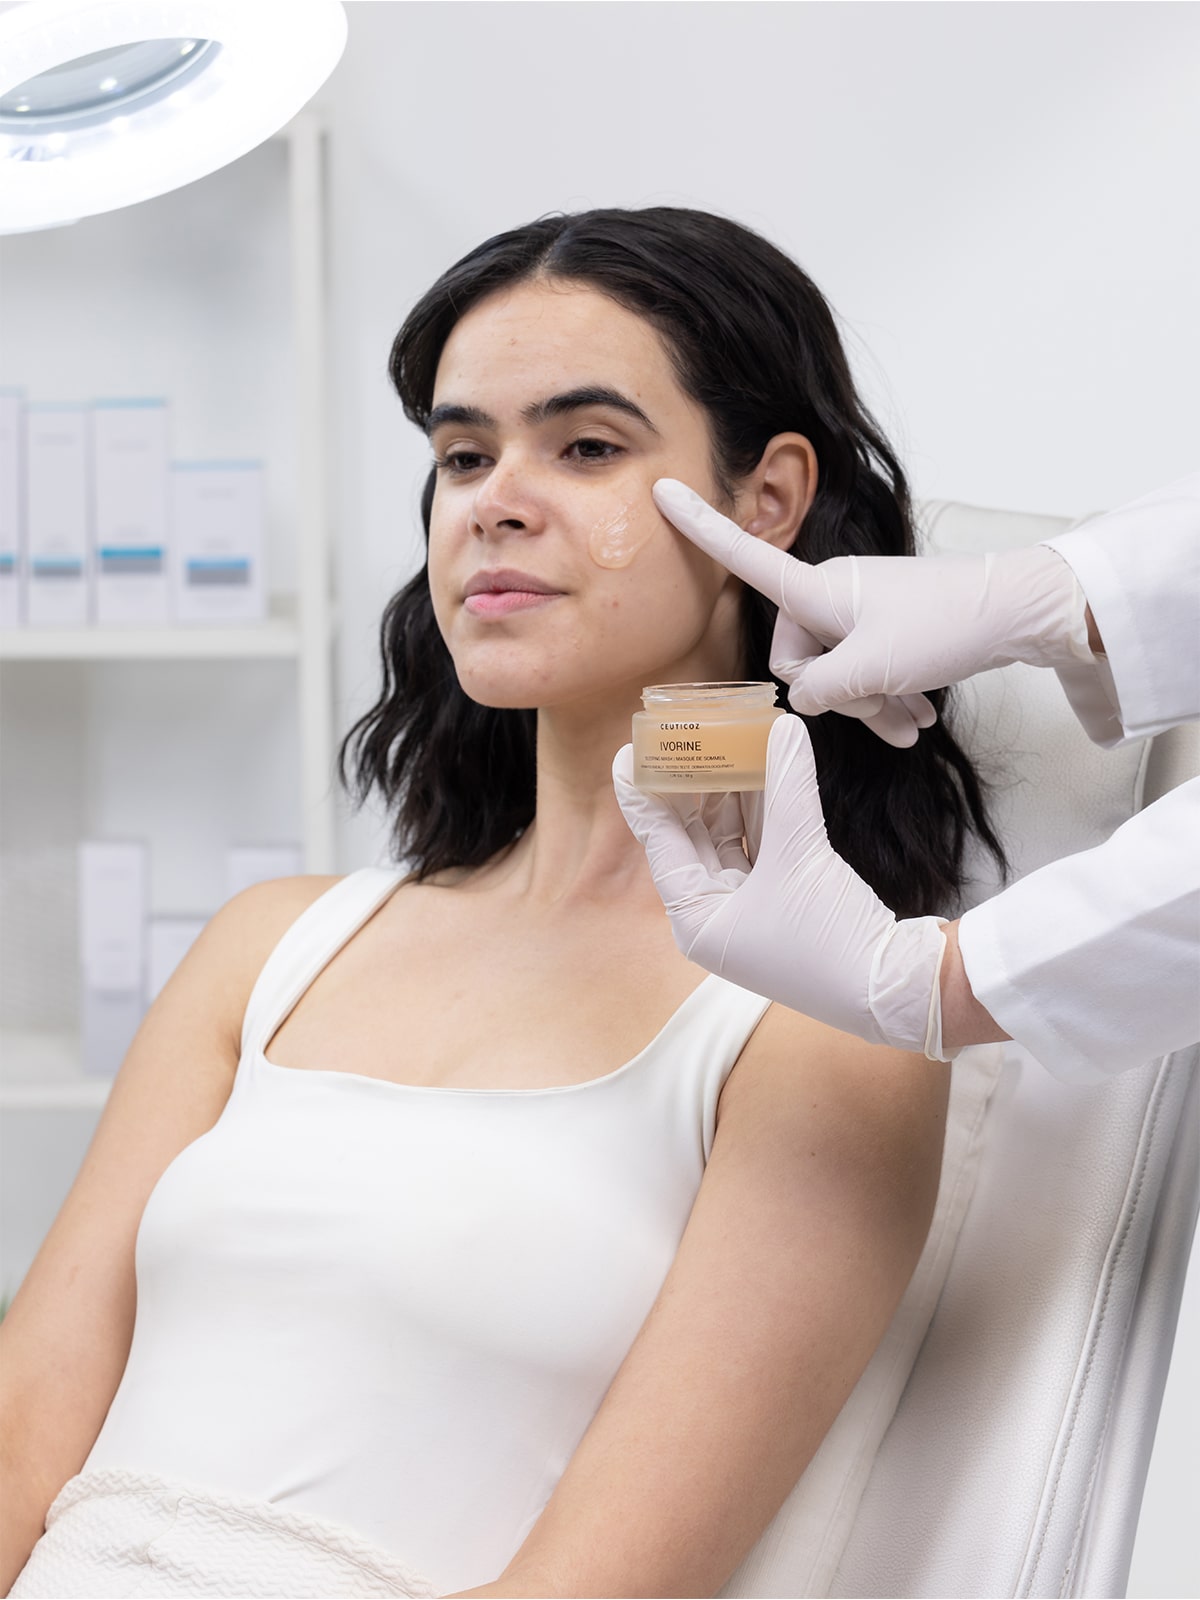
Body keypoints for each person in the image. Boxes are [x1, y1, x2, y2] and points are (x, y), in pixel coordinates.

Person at [1, 207, 1007, 1600]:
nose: (494, 501)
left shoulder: (830, 1019)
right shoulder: (274, 946)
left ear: (768, 500)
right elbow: (20, 1444)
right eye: (464, 455)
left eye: (586, 447)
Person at [614, 475, 1199, 1082]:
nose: (527, 504)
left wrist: (931, 984)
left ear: (772, 497)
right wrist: (1053, 594)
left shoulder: (805, 1033)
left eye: (592, 449)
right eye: (503, 455)